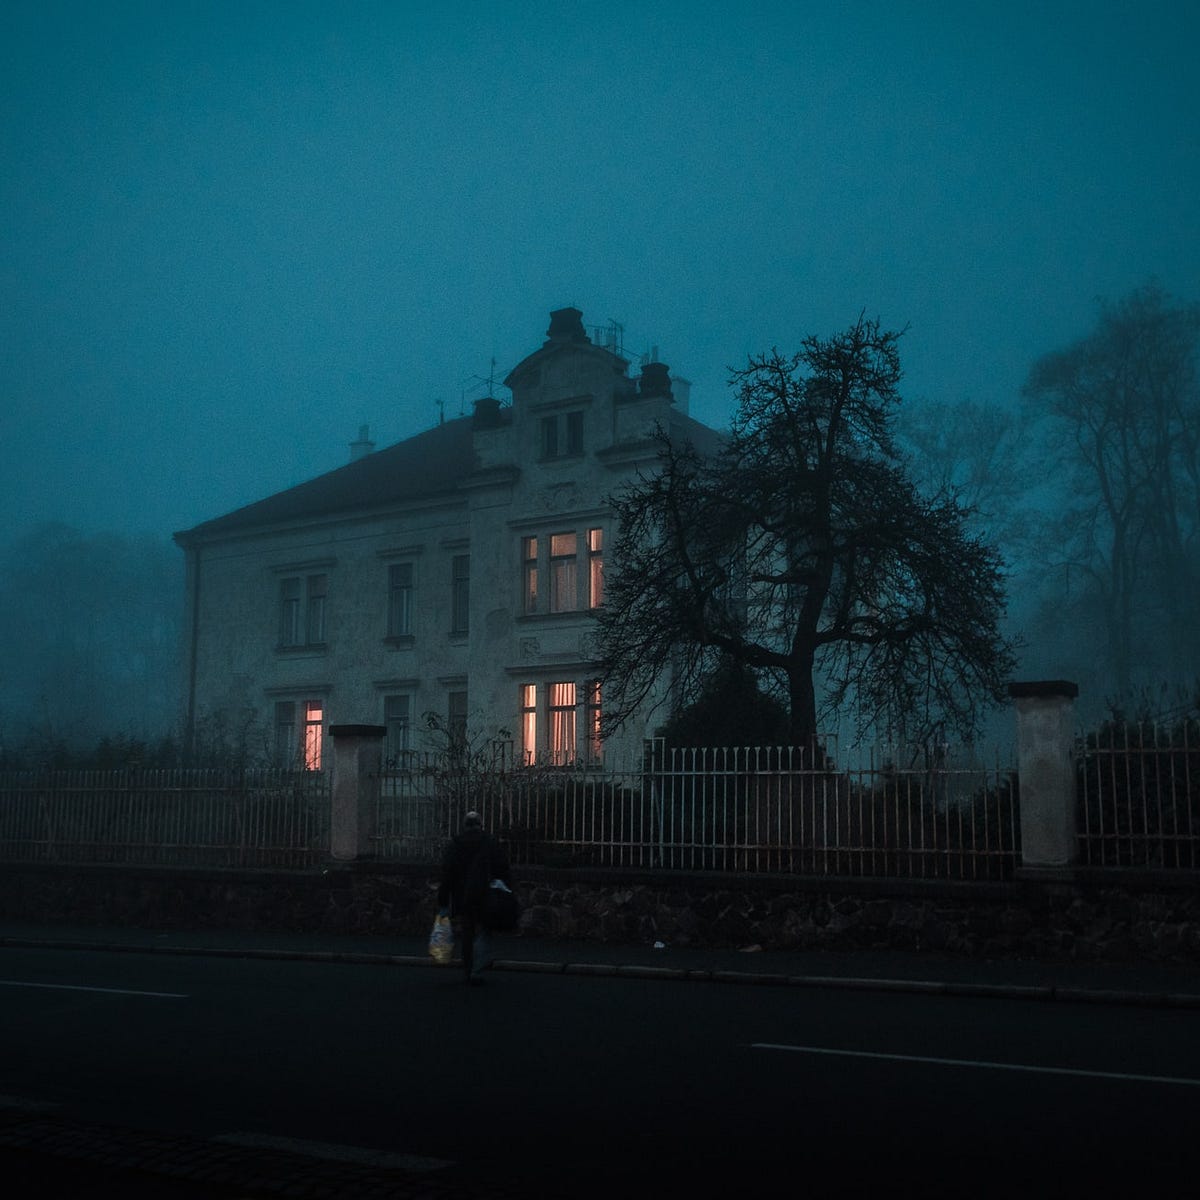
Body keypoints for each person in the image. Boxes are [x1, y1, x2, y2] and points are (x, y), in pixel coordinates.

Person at [436, 810, 512, 985]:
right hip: (486, 893)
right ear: (480, 824)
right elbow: (502, 868)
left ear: (465, 825)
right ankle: (478, 969)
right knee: (485, 930)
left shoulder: (456, 844)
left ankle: (468, 970)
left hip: (463, 895)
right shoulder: (489, 842)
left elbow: (447, 873)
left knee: (467, 933)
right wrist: (506, 890)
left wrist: (443, 898)